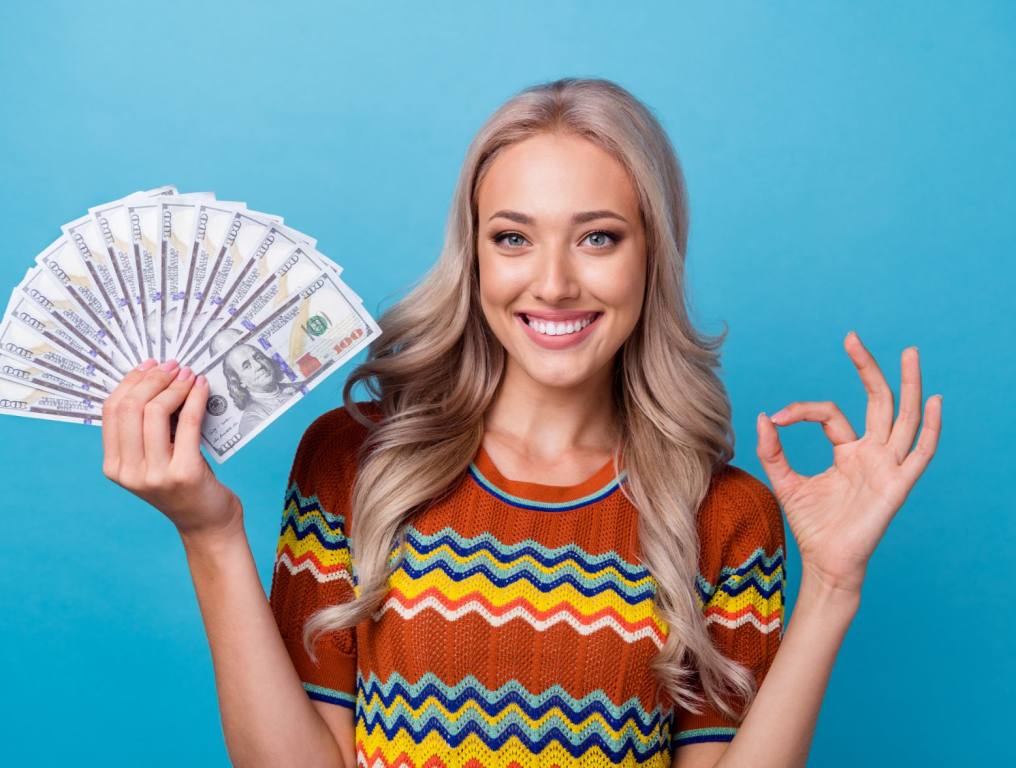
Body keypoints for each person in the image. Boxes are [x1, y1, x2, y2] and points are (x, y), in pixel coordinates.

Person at [98, 77, 942, 768]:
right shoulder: (355, 465)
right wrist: (210, 534)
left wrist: (833, 588)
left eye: (599, 238)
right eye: (512, 238)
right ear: (474, 256)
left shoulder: (726, 517)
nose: (553, 283)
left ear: (654, 256)